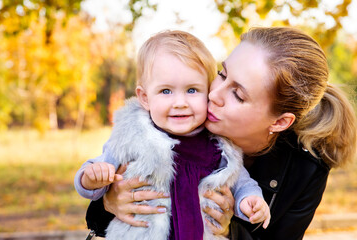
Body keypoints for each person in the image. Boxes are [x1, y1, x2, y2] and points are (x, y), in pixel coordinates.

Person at [85, 27, 357, 240]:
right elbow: (112, 184)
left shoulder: (305, 169)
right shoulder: (167, 122)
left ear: (280, 122)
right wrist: (108, 203)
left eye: (237, 94)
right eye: (222, 74)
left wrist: (229, 231)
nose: (213, 94)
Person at [74, 30, 270, 240]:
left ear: (208, 93)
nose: (180, 102)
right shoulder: (132, 136)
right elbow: (93, 179)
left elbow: (242, 183)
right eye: (166, 91)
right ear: (145, 98)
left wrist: (250, 201)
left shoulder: (218, 146)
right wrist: (92, 178)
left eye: (192, 90)